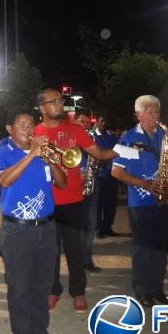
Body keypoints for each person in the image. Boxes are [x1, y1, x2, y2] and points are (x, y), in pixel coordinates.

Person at [34, 88, 118, 313]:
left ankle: (78, 292)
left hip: (73, 200)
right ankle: (53, 290)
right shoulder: (34, 133)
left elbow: (98, 153)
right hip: (46, 203)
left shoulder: (74, 129)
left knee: (75, 250)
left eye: (60, 100)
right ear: (42, 107)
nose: (60, 104)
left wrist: (123, 150)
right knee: (49, 252)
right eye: (54, 101)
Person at [0, 107, 66, 334]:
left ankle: (40, 331)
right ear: (9, 129)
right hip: (17, 230)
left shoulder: (43, 154)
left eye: (30, 123)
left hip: (46, 228)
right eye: (21, 123)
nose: (27, 127)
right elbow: (4, 180)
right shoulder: (2, 152)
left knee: (43, 283)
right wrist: (31, 154)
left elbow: (62, 182)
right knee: (20, 285)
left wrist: (52, 161)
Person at [111, 95, 168, 307]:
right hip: (141, 204)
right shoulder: (129, 139)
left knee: (160, 247)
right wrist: (144, 184)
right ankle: (143, 290)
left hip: (162, 201)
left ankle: (157, 288)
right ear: (139, 115)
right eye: (151, 112)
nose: (156, 116)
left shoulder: (163, 136)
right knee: (143, 249)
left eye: (157, 111)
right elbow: (117, 172)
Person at [74, 109, 101, 273]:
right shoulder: (70, 140)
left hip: (91, 188)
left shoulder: (90, 140)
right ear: (75, 121)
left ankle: (87, 259)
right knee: (76, 228)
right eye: (81, 121)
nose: (84, 125)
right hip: (75, 189)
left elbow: (98, 158)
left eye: (86, 122)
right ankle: (77, 260)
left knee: (91, 225)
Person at [91, 114, 119, 238]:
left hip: (112, 173)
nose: (104, 123)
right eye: (101, 121)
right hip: (99, 174)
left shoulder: (112, 136)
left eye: (105, 120)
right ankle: (97, 228)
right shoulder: (92, 137)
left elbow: (118, 152)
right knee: (98, 203)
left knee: (110, 202)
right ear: (96, 122)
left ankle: (108, 226)